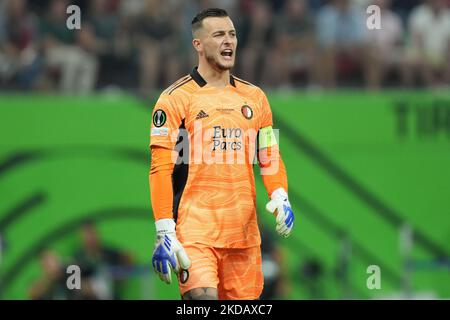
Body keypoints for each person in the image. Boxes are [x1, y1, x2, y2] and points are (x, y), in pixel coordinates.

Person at [149, 8, 295, 300]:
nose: (228, 41)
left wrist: (280, 194)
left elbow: (269, 155)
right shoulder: (174, 99)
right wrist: (164, 229)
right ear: (198, 45)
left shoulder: (255, 98)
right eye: (218, 35)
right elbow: (160, 168)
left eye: (232, 34)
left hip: (243, 238)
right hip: (195, 233)